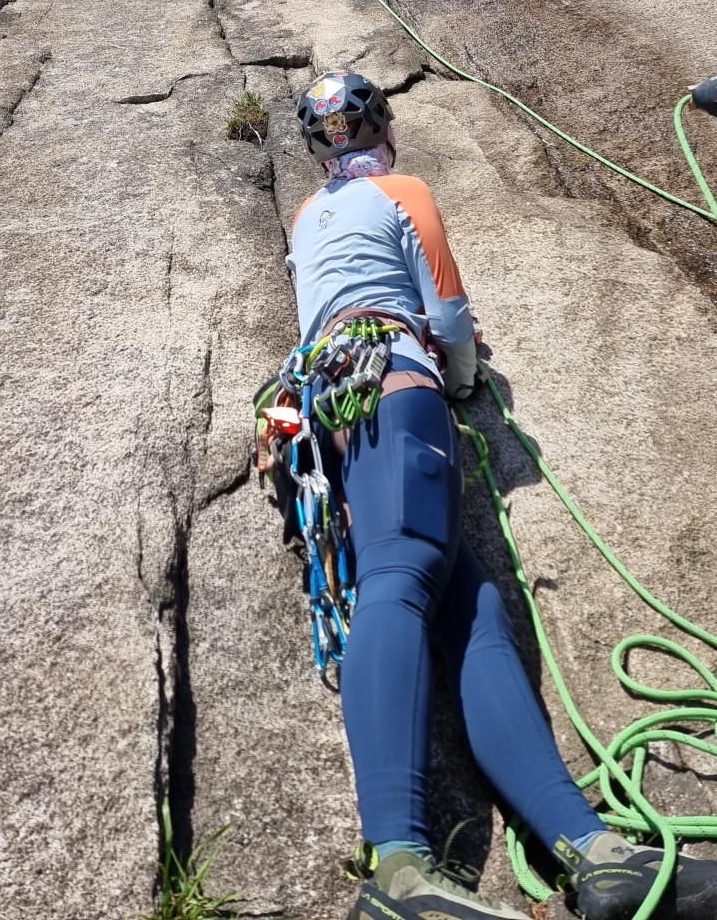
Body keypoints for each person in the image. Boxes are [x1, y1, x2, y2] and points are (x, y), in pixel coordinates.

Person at [285, 69, 717, 920]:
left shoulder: (308, 218)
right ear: (385, 131)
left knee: (470, 604)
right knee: (403, 579)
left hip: (332, 416)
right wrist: (467, 373)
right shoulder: (404, 190)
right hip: (400, 388)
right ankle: (399, 872)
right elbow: (445, 311)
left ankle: (596, 855)